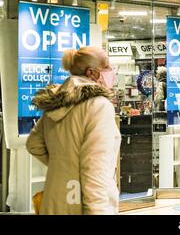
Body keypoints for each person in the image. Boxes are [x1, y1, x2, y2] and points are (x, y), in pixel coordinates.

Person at [26, 46, 121, 215]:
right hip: (82, 203)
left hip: (55, 198)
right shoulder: (98, 105)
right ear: (92, 72)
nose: (111, 71)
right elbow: (95, 168)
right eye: (107, 66)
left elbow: (33, 144)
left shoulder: (56, 103)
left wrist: (64, 166)